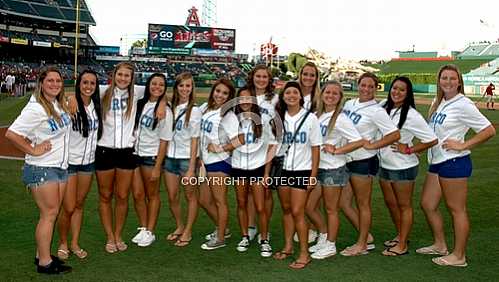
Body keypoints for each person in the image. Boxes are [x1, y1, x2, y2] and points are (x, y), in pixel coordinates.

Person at [418, 65, 496, 267]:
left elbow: (488, 130)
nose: (448, 81)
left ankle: (459, 256)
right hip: (437, 161)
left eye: (453, 78)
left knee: (457, 209)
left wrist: (463, 145)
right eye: (444, 78)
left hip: (454, 161)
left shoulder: (464, 104)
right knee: (427, 204)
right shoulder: (439, 101)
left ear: (459, 81)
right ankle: (440, 244)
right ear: (439, 80)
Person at [92, 62, 165, 253]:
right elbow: (80, 91)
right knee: (105, 196)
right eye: (120, 74)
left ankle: (118, 235)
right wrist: (71, 99)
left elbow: (159, 91)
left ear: (132, 78)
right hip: (104, 151)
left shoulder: (138, 92)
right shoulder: (102, 90)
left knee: (123, 196)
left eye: (127, 76)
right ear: (114, 74)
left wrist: (163, 103)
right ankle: (109, 237)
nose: (123, 78)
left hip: (127, 152)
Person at [5, 67, 73, 274]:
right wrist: (33, 150)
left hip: (58, 166)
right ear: (41, 83)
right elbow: (12, 134)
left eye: (58, 81)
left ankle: (41, 254)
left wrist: (70, 97)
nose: (54, 84)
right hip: (42, 167)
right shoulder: (36, 108)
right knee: (49, 214)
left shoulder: (56, 104)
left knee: (51, 214)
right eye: (50, 81)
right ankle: (44, 263)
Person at [340, 72, 400, 256]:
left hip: (363, 161)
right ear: (358, 85)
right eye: (363, 85)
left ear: (376, 89)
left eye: (370, 86)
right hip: (347, 159)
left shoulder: (376, 111)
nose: (366, 89)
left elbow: (394, 134)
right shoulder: (350, 104)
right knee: (343, 203)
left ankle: (362, 244)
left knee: (362, 203)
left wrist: (374, 144)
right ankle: (367, 237)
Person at [378, 77, 437, 256]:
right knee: (391, 203)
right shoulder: (383, 106)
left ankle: (402, 245)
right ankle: (400, 235)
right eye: (394, 88)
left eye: (402, 90)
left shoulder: (411, 115)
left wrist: (410, 149)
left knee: (404, 206)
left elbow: (432, 139)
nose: (396, 92)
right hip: (384, 164)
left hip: (402, 167)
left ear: (407, 93)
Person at [309, 81, 364, 259]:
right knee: (309, 206)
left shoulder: (340, 118)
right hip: (317, 168)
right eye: (328, 92)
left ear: (340, 97)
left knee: (331, 209)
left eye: (335, 93)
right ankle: (324, 235)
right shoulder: (317, 114)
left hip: (333, 169)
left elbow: (358, 141)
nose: (330, 96)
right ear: (322, 93)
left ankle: (331, 245)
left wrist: (337, 150)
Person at [272, 81, 321, 269]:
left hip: (302, 170)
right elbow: (273, 145)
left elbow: (316, 149)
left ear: (300, 96)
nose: (291, 96)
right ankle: (288, 246)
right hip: (283, 169)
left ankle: (304, 253)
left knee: (297, 211)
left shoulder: (310, 118)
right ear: (283, 97)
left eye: (295, 92)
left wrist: (313, 175)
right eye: (287, 93)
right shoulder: (279, 118)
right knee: (286, 209)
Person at [56, 69, 103, 260]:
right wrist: (69, 97)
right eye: (85, 82)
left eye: (92, 83)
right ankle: (63, 243)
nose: (88, 86)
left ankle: (75, 243)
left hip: (88, 164)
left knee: (79, 204)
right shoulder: (68, 103)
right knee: (68, 207)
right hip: (70, 164)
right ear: (78, 84)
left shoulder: (96, 106)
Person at [130, 73, 173, 247]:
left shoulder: (166, 111)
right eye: (154, 83)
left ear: (165, 88)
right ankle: (142, 227)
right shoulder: (140, 102)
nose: (157, 87)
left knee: (152, 195)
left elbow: (165, 140)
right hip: (134, 154)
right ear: (148, 85)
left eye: (161, 85)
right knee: (138, 194)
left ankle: (150, 231)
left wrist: (157, 166)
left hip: (151, 157)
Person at [231, 86, 274, 257]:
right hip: (238, 167)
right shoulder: (232, 118)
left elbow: (272, 145)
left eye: (248, 98)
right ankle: (244, 236)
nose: (245, 102)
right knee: (241, 203)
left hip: (258, 168)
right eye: (241, 99)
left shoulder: (263, 118)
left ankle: (264, 239)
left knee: (260, 206)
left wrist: (266, 173)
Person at [199, 78, 241, 250]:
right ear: (213, 91)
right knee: (204, 200)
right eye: (218, 91)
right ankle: (223, 228)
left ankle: (221, 238)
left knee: (219, 201)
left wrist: (220, 148)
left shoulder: (229, 116)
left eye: (225, 93)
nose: (221, 95)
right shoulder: (205, 108)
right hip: (205, 162)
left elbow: (238, 140)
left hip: (220, 163)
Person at [163, 72, 201, 247]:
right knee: (172, 196)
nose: (185, 89)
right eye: (181, 85)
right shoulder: (170, 106)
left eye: (188, 86)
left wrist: (192, 168)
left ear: (192, 88)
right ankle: (179, 225)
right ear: (176, 87)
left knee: (190, 196)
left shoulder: (195, 110)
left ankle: (188, 231)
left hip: (187, 159)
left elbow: (195, 140)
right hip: (170, 158)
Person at [245, 64, 278, 241]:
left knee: (265, 192)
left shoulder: (274, 99)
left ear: (269, 80)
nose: (261, 79)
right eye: (258, 76)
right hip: (247, 151)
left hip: (267, 151)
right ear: (253, 77)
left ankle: (265, 227)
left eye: (265, 77)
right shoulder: (245, 95)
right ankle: (251, 225)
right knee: (250, 191)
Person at [297, 62, 322, 243]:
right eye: (305, 74)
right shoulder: (292, 93)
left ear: (316, 78)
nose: (308, 78)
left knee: (311, 197)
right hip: (295, 151)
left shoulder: (319, 98)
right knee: (297, 196)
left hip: (312, 149)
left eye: (312, 75)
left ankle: (316, 230)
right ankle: (307, 227)